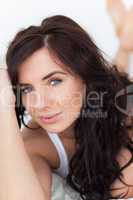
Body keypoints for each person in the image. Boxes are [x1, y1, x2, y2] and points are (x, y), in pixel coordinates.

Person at [2, 14, 133, 199]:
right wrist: (4, 107)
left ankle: (126, 47)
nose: (40, 104)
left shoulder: (122, 107)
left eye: (54, 82)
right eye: (26, 89)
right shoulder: (36, 144)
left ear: (84, 77)